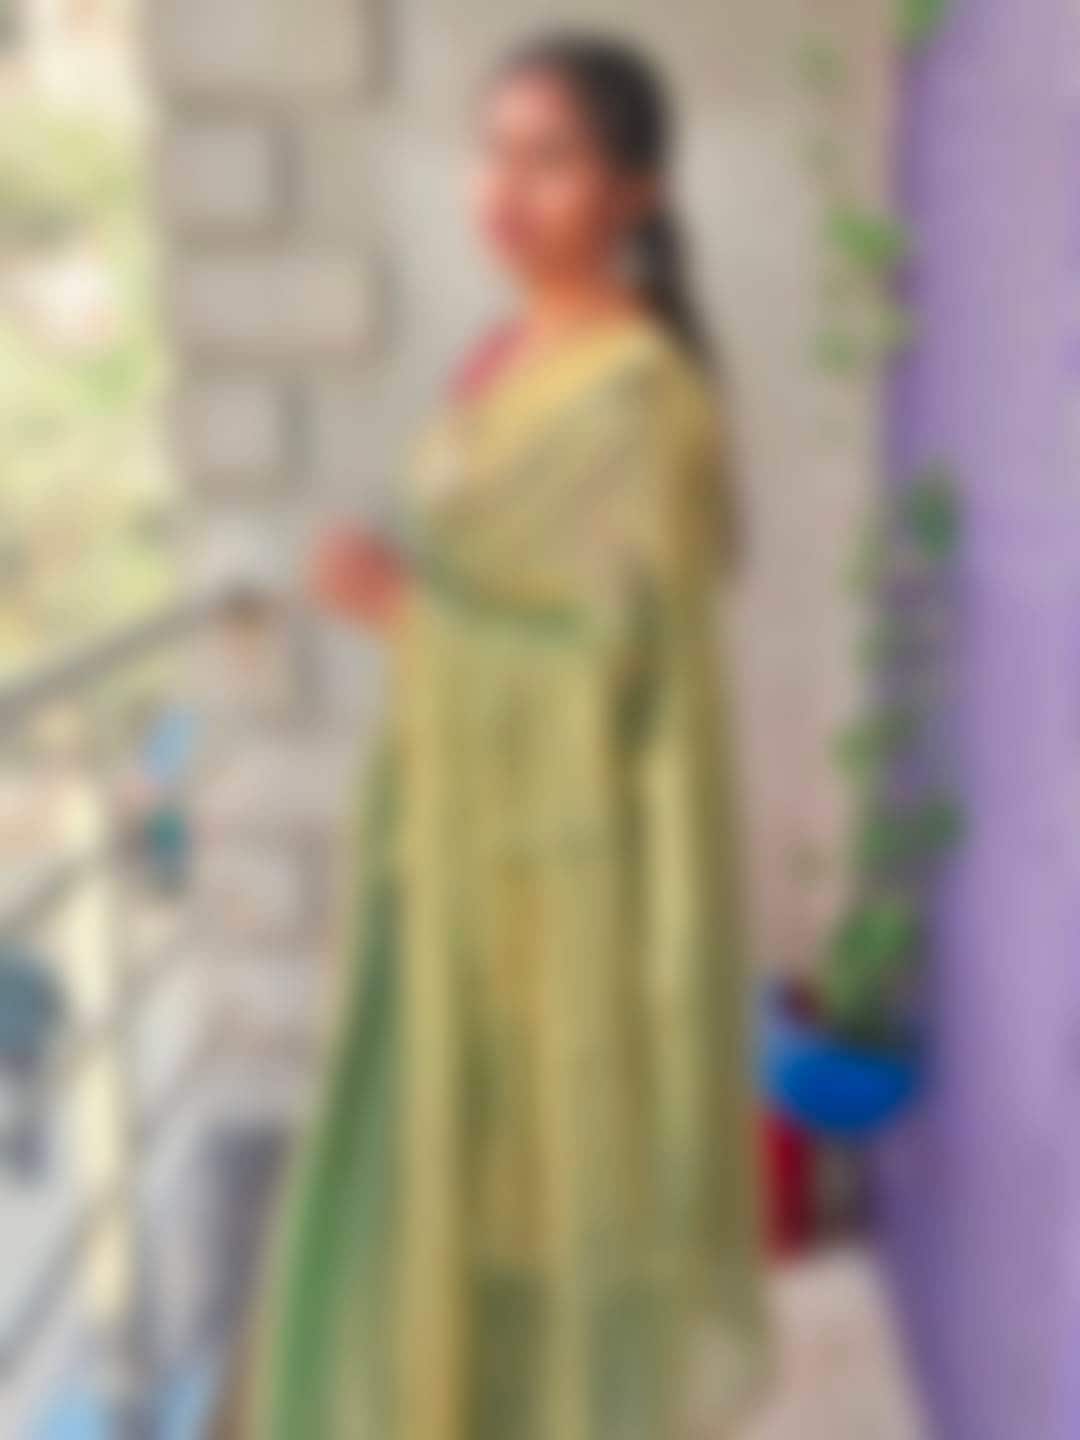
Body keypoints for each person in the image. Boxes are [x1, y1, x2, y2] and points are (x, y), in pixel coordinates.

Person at [249, 31, 765, 1439]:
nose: (504, 190)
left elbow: (632, 675)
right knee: (423, 1193)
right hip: (445, 849)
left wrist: (406, 617)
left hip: (560, 885)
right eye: (492, 152)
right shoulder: (504, 351)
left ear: (636, 191)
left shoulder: (641, 396)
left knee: (536, 1218)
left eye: (551, 159)